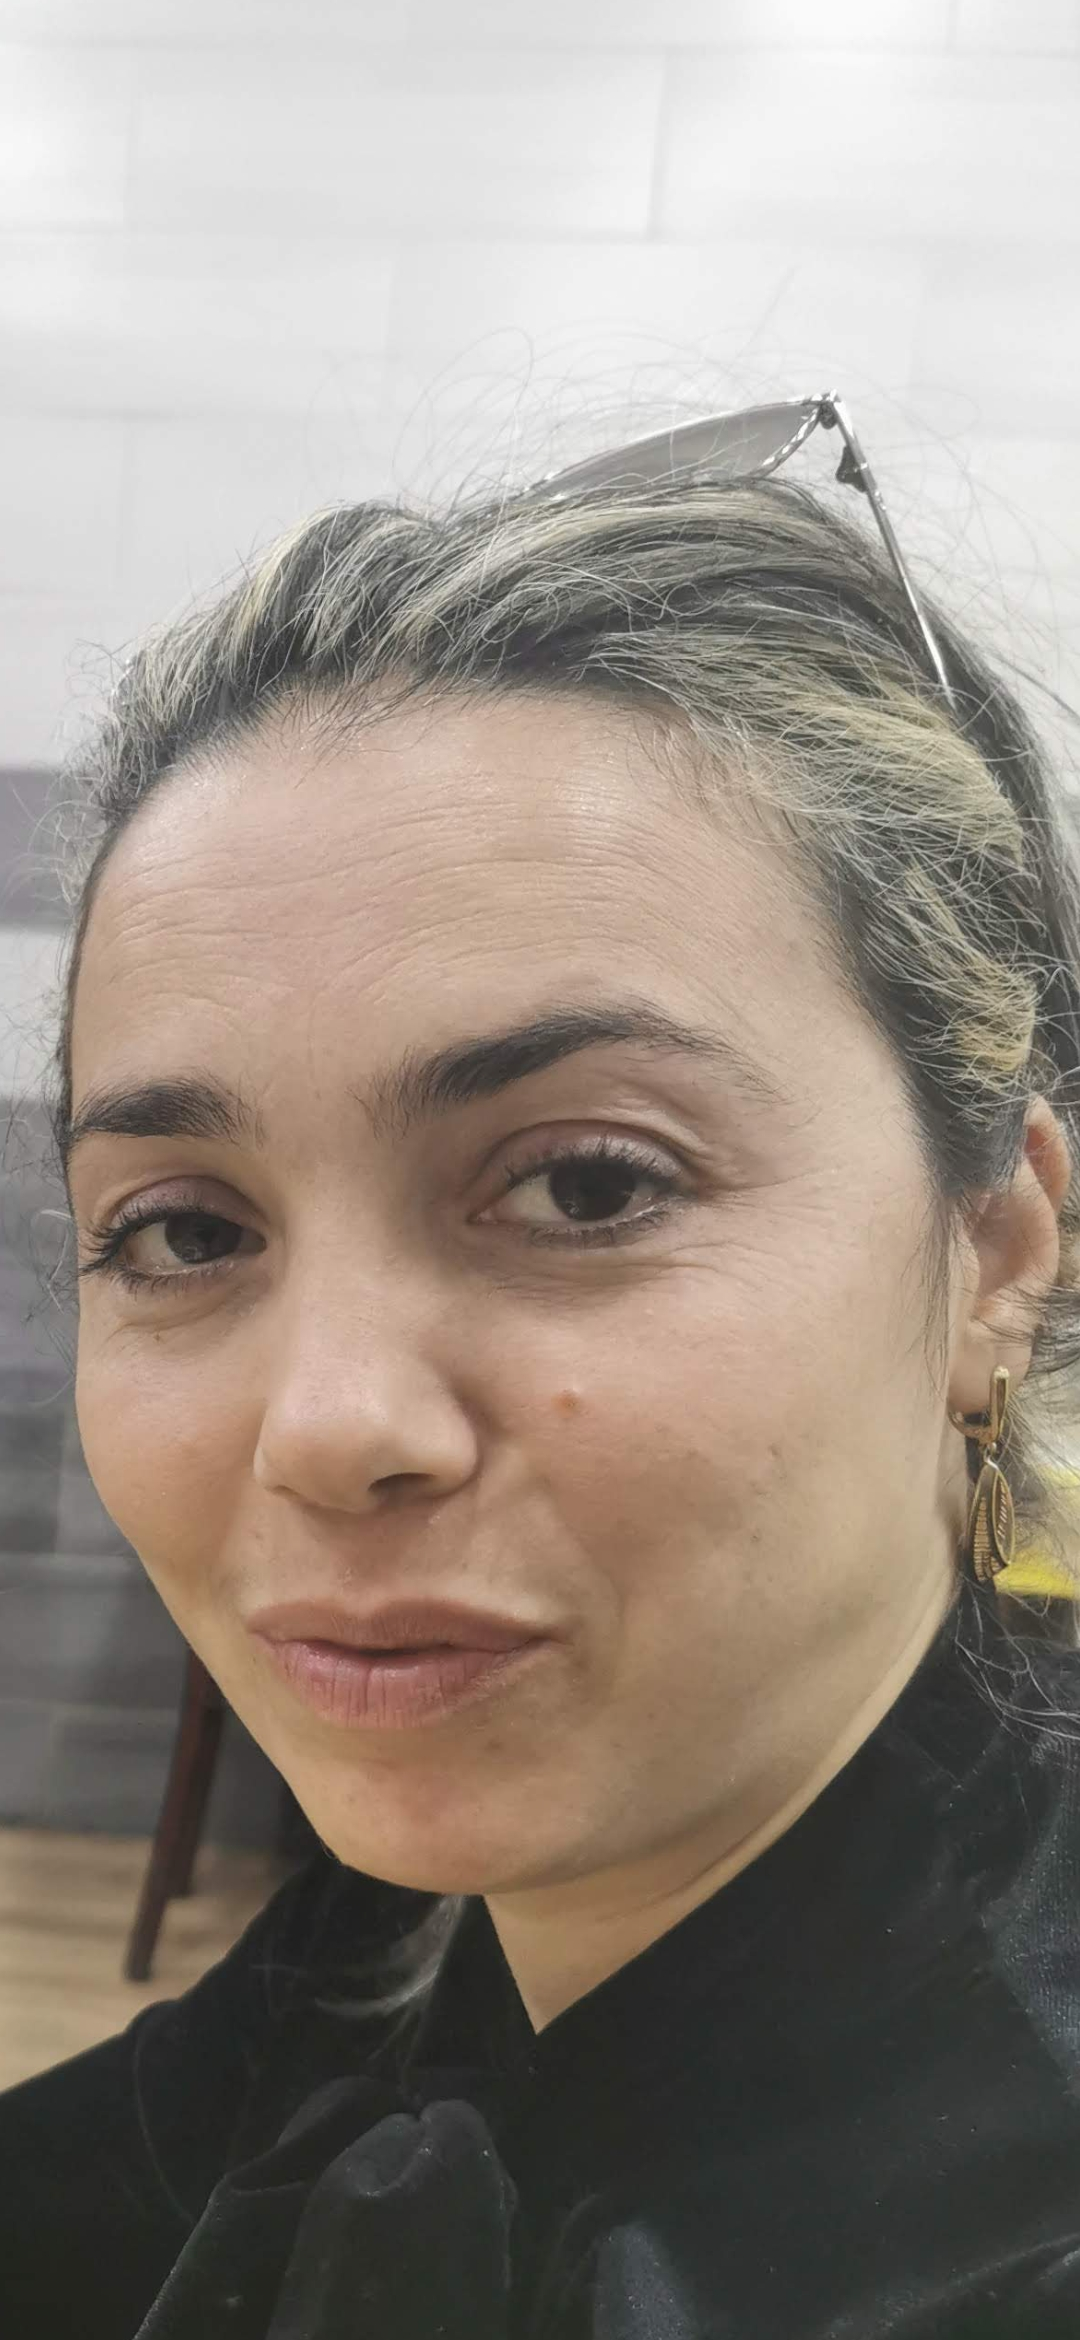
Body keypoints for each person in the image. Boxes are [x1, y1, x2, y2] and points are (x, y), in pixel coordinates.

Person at [4, 396, 1080, 2339]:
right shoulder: (477, 1891)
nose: (331, 1426)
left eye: (589, 1184)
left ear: (997, 1246)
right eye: (185, 1232)